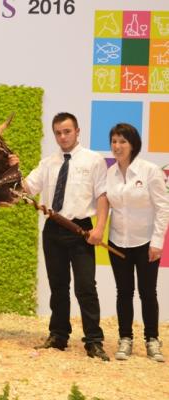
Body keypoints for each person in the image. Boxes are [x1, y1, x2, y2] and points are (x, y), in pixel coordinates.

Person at [23, 112, 110, 360]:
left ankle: (94, 341)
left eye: (67, 131)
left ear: (77, 131)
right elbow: (27, 187)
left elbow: (103, 196)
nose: (63, 136)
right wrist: (11, 166)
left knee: (86, 287)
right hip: (53, 230)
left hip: (81, 229)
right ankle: (58, 336)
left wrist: (99, 228)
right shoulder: (48, 163)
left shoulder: (94, 161)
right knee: (58, 286)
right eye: (58, 133)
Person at [106, 123, 169, 362]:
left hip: (145, 243)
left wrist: (157, 241)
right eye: (113, 141)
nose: (117, 146)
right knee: (123, 292)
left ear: (133, 144)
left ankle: (152, 339)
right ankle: (125, 339)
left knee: (147, 292)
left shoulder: (150, 171)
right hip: (117, 242)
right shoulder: (109, 174)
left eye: (122, 141)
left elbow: (163, 207)